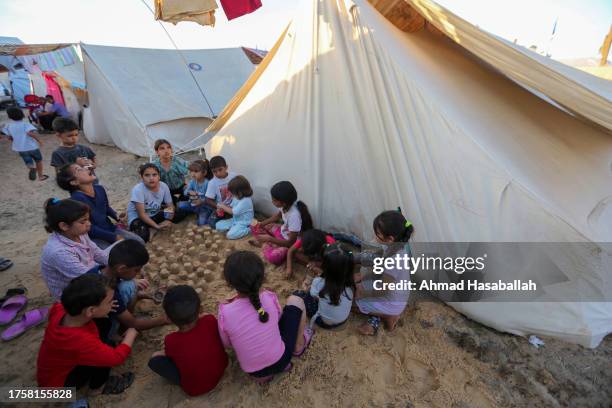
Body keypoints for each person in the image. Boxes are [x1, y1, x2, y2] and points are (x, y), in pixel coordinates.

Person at [218, 251, 312, 383]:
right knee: (296, 301)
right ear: (262, 277)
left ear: (229, 283)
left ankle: (264, 377)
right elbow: (278, 321)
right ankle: (298, 346)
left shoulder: (224, 311)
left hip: (254, 371)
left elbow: (226, 343)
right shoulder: (268, 297)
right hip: (281, 359)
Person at [36, 274, 137, 394]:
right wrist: (131, 333)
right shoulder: (81, 342)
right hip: (59, 387)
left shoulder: (60, 309)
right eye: (110, 301)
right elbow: (116, 358)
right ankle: (98, 388)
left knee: (103, 323)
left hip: (51, 371)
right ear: (91, 310)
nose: (112, 304)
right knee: (107, 347)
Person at [148, 285, 228, 396]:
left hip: (195, 388)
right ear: (200, 309)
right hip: (221, 369)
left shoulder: (171, 340)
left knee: (154, 360)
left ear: (168, 319)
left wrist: (160, 353)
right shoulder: (210, 320)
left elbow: (171, 355)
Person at [56, 163, 144, 248]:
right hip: (94, 237)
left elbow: (106, 207)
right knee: (114, 256)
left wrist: (117, 217)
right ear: (74, 182)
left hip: (110, 229)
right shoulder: (76, 200)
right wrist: (113, 237)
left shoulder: (99, 188)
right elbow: (88, 228)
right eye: (79, 169)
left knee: (139, 242)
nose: (86, 168)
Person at [355, 210, 413, 335]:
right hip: (397, 293)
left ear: (390, 238)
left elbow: (382, 290)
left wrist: (362, 293)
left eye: (377, 234)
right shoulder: (399, 246)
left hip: (393, 301)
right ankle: (381, 316)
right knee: (361, 283)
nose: (375, 236)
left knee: (355, 301)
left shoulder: (394, 260)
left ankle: (388, 316)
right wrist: (364, 276)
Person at [90, 240, 169, 331]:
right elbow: (133, 324)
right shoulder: (108, 292)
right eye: (136, 270)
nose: (139, 273)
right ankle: (115, 333)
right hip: (99, 330)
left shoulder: (100, 270)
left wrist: (146, 295)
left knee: (129, 285)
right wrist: (163, 319)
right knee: (129, 286)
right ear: (122, 269)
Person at [40, 198, 107, 300]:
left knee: (123, 251)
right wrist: (116, 272)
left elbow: (98, 253)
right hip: (74, 294)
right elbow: (88, 277)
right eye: (83, 221)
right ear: (64, 226)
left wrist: (116, 263)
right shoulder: (59, 251)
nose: (89, 224)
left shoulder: (78, 233)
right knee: (122, 287)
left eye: (88, 219)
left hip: (88, 274)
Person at [292, 243, 355, 329]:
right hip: (342, 320)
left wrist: (308, 283)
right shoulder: (351, 284)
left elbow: (312, 295)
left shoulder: (318, 282)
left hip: (325, 322)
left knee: (298, 294)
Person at [250, 181, 313, 265]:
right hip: (282, 232)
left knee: (274, 258)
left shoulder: (294, 216)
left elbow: (291, 243)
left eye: (274, 200)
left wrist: (270, 239)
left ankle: (266, 244)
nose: (272, 201)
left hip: (288, 241)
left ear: (283, 202)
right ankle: (270, 243)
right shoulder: (285, 206)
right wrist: (262, 223)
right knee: (254, 226)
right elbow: (277, 216)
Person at [127, 163, 187, 242]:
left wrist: (168, 220)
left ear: (159, 176)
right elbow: (142, 215)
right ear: (142, 177)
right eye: (147, 175)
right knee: (143, 237)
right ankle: (152, 228)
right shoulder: (138, 190)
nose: (151, 178)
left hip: (155, 214)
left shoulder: (163, 186)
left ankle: (152, 227)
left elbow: (170, 206)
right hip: (138, 218)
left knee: (180, 213)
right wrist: (157, 227)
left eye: (154, 175)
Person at [0, 107, 48, 181]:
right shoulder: (26, 124)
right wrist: (39, 141)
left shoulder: (8, 126)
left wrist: (13, 139)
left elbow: (9, 137)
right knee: (38, 160)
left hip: (20, 148)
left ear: (9, 116)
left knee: (28, 161)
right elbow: (30, 133)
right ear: (22, 115)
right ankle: (41, 176)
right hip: (32, 147)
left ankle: (32, 168)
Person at [176, 159, 214, 226]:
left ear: (204, 173)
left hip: (205, 207)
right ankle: (195, 212)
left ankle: (206, 216)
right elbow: (185, 192)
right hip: (193, 204)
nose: (193, 174)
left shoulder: (207, 183)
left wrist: (201, 201)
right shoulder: (193, 181)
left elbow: (210, 198)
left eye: (196, 171)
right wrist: (189, 192)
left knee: (201, 223)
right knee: (179, 205)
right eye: (191, 171)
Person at [216, 175, 254, 240]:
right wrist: (221, 208)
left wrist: (223, 206)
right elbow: (230, 206)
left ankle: (249, 229)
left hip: (244, 223)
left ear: (240, 192)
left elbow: (234, 212)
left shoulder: (246, 200)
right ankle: (234, 228)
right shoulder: (236, 197)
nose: (231, 194)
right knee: (218, 225)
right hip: (235, 220)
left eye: (233, 192)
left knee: (230, 235)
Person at [152, 139, 189, 204]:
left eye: (168, 147)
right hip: (165, 191)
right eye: (162, 148)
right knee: (168, 207)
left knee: (189, 202)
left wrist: (186, 184)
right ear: (157, 152)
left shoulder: (177, 161)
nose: (166, 151)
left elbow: (187, 171)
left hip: (181, 187)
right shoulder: (155, 165)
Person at [204, 155, 237, 227]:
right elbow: (208, 199)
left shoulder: (234, 176)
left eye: (220, 169)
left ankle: (231, 220)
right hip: (223, 209)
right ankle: (229, 219)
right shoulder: (212, 183)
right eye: (214, 171)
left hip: (236, 206)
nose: (218, 173)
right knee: (211, 223)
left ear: (226, 167)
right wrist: (218, 206)